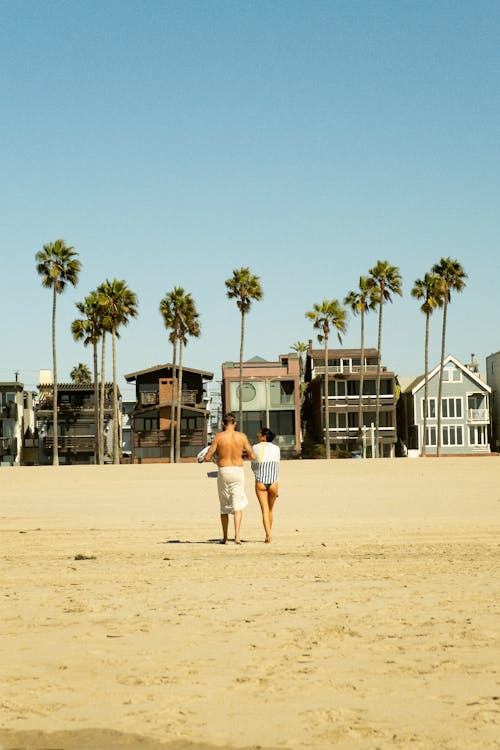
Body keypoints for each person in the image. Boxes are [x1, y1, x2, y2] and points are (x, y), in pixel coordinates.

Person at [204, 413, 256, 544]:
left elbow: (207, 457)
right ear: (235, 423)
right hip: (238, 470)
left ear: (222, 423)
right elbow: (253, 456)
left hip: (224, 470)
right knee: (237, 504)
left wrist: (213, 457)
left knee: (224, 504)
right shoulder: (242, 436)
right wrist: (242, 458)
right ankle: (237, 536)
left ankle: (225, 538)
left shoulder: (218, 437)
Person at [251, 427, 280, 543]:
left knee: (264, 510)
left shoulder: (256, 447)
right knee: (270, 510)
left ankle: (268, 535)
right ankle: (269, 533)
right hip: (274, 482)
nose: (258, 435)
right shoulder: (276, 448)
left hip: (261, 481)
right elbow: (277, 464)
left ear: (264, 437)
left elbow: (253, 465)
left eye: (260, 434)